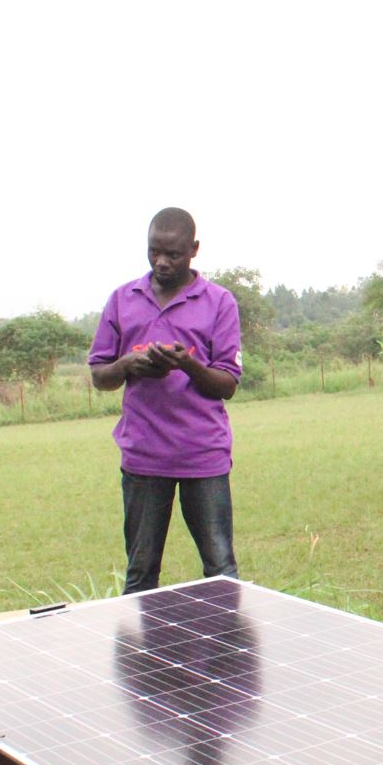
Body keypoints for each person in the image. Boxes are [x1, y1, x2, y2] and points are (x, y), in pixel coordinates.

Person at [89, 207, 242, 594]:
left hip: (202, 457)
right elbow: (100, 377)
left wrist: (187, 364)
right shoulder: (123, 299)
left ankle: (228, 655)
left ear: (193, 250)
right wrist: (129, 364)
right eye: (154, 251)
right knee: (140, 575)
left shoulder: (219, 302)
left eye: (172, 254)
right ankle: (142, 657)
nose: (161, 262)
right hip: (143, 458)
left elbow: (226, 384)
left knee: (220, 571)